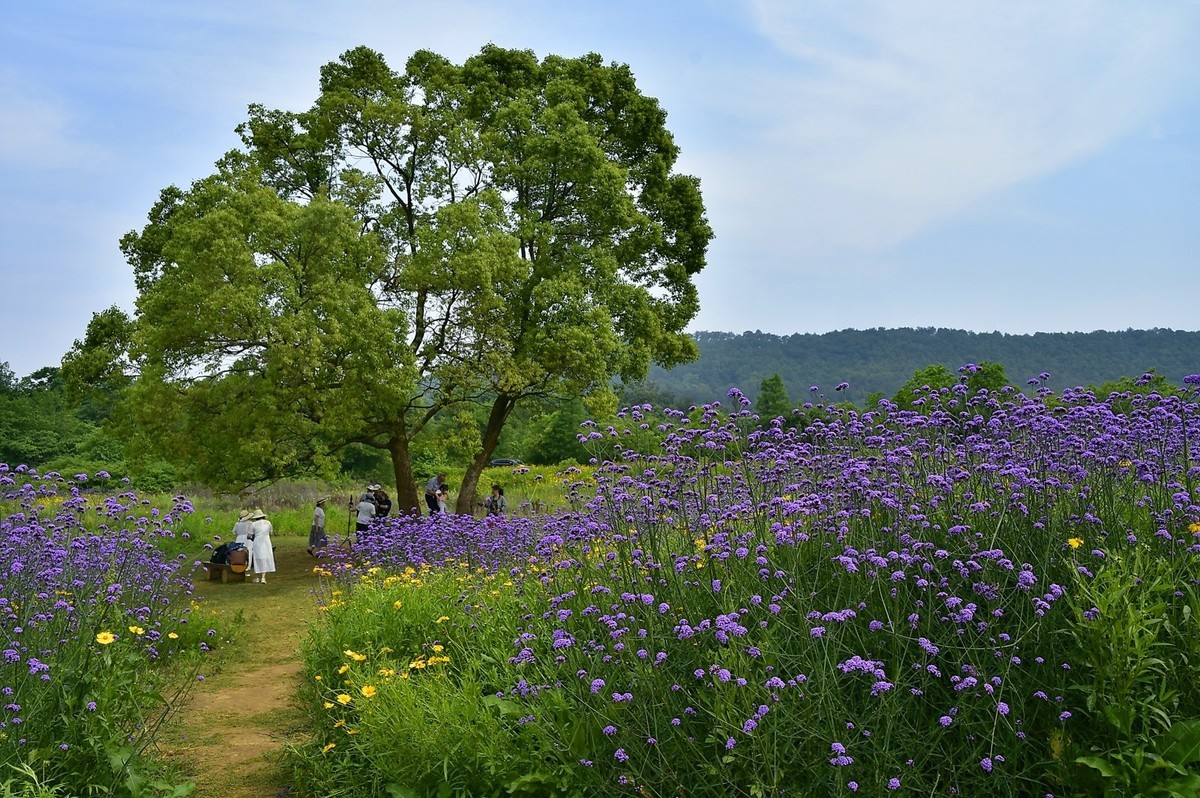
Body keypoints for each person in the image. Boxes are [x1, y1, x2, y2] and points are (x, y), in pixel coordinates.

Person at [247, 509, 275, 584]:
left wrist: (251, 538)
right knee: (265, 557)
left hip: (258, 541)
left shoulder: (253, 524)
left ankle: (257, 577)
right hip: (266, 541)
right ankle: (263, 577)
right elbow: (271, 533)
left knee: (257, 558)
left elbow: (249, 535)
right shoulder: (268, 523)